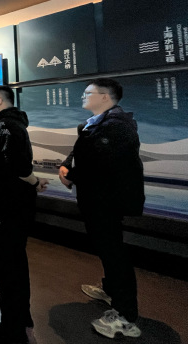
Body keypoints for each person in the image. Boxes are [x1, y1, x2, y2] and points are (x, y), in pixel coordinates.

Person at [59, 78, 145, 339]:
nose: (83, 96)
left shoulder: (115, 126)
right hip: (98, 200)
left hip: (107, 201)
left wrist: (71, 175)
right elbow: (82, 152)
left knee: (114, 252)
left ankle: (126, 317)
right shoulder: (97, 124)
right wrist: (68, 166)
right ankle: (111, 291)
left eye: (88, 93)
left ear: (105, 97)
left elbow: (100, 164)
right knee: (107, 249)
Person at [0, 85, 48, 344]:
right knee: (12, 265)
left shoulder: (5, 126)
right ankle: (19, 319)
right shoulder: (9, 125)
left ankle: (14, 329)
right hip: (9, 207)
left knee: (9, 267)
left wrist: (33, 182)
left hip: (6, 208)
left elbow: (17, 166)